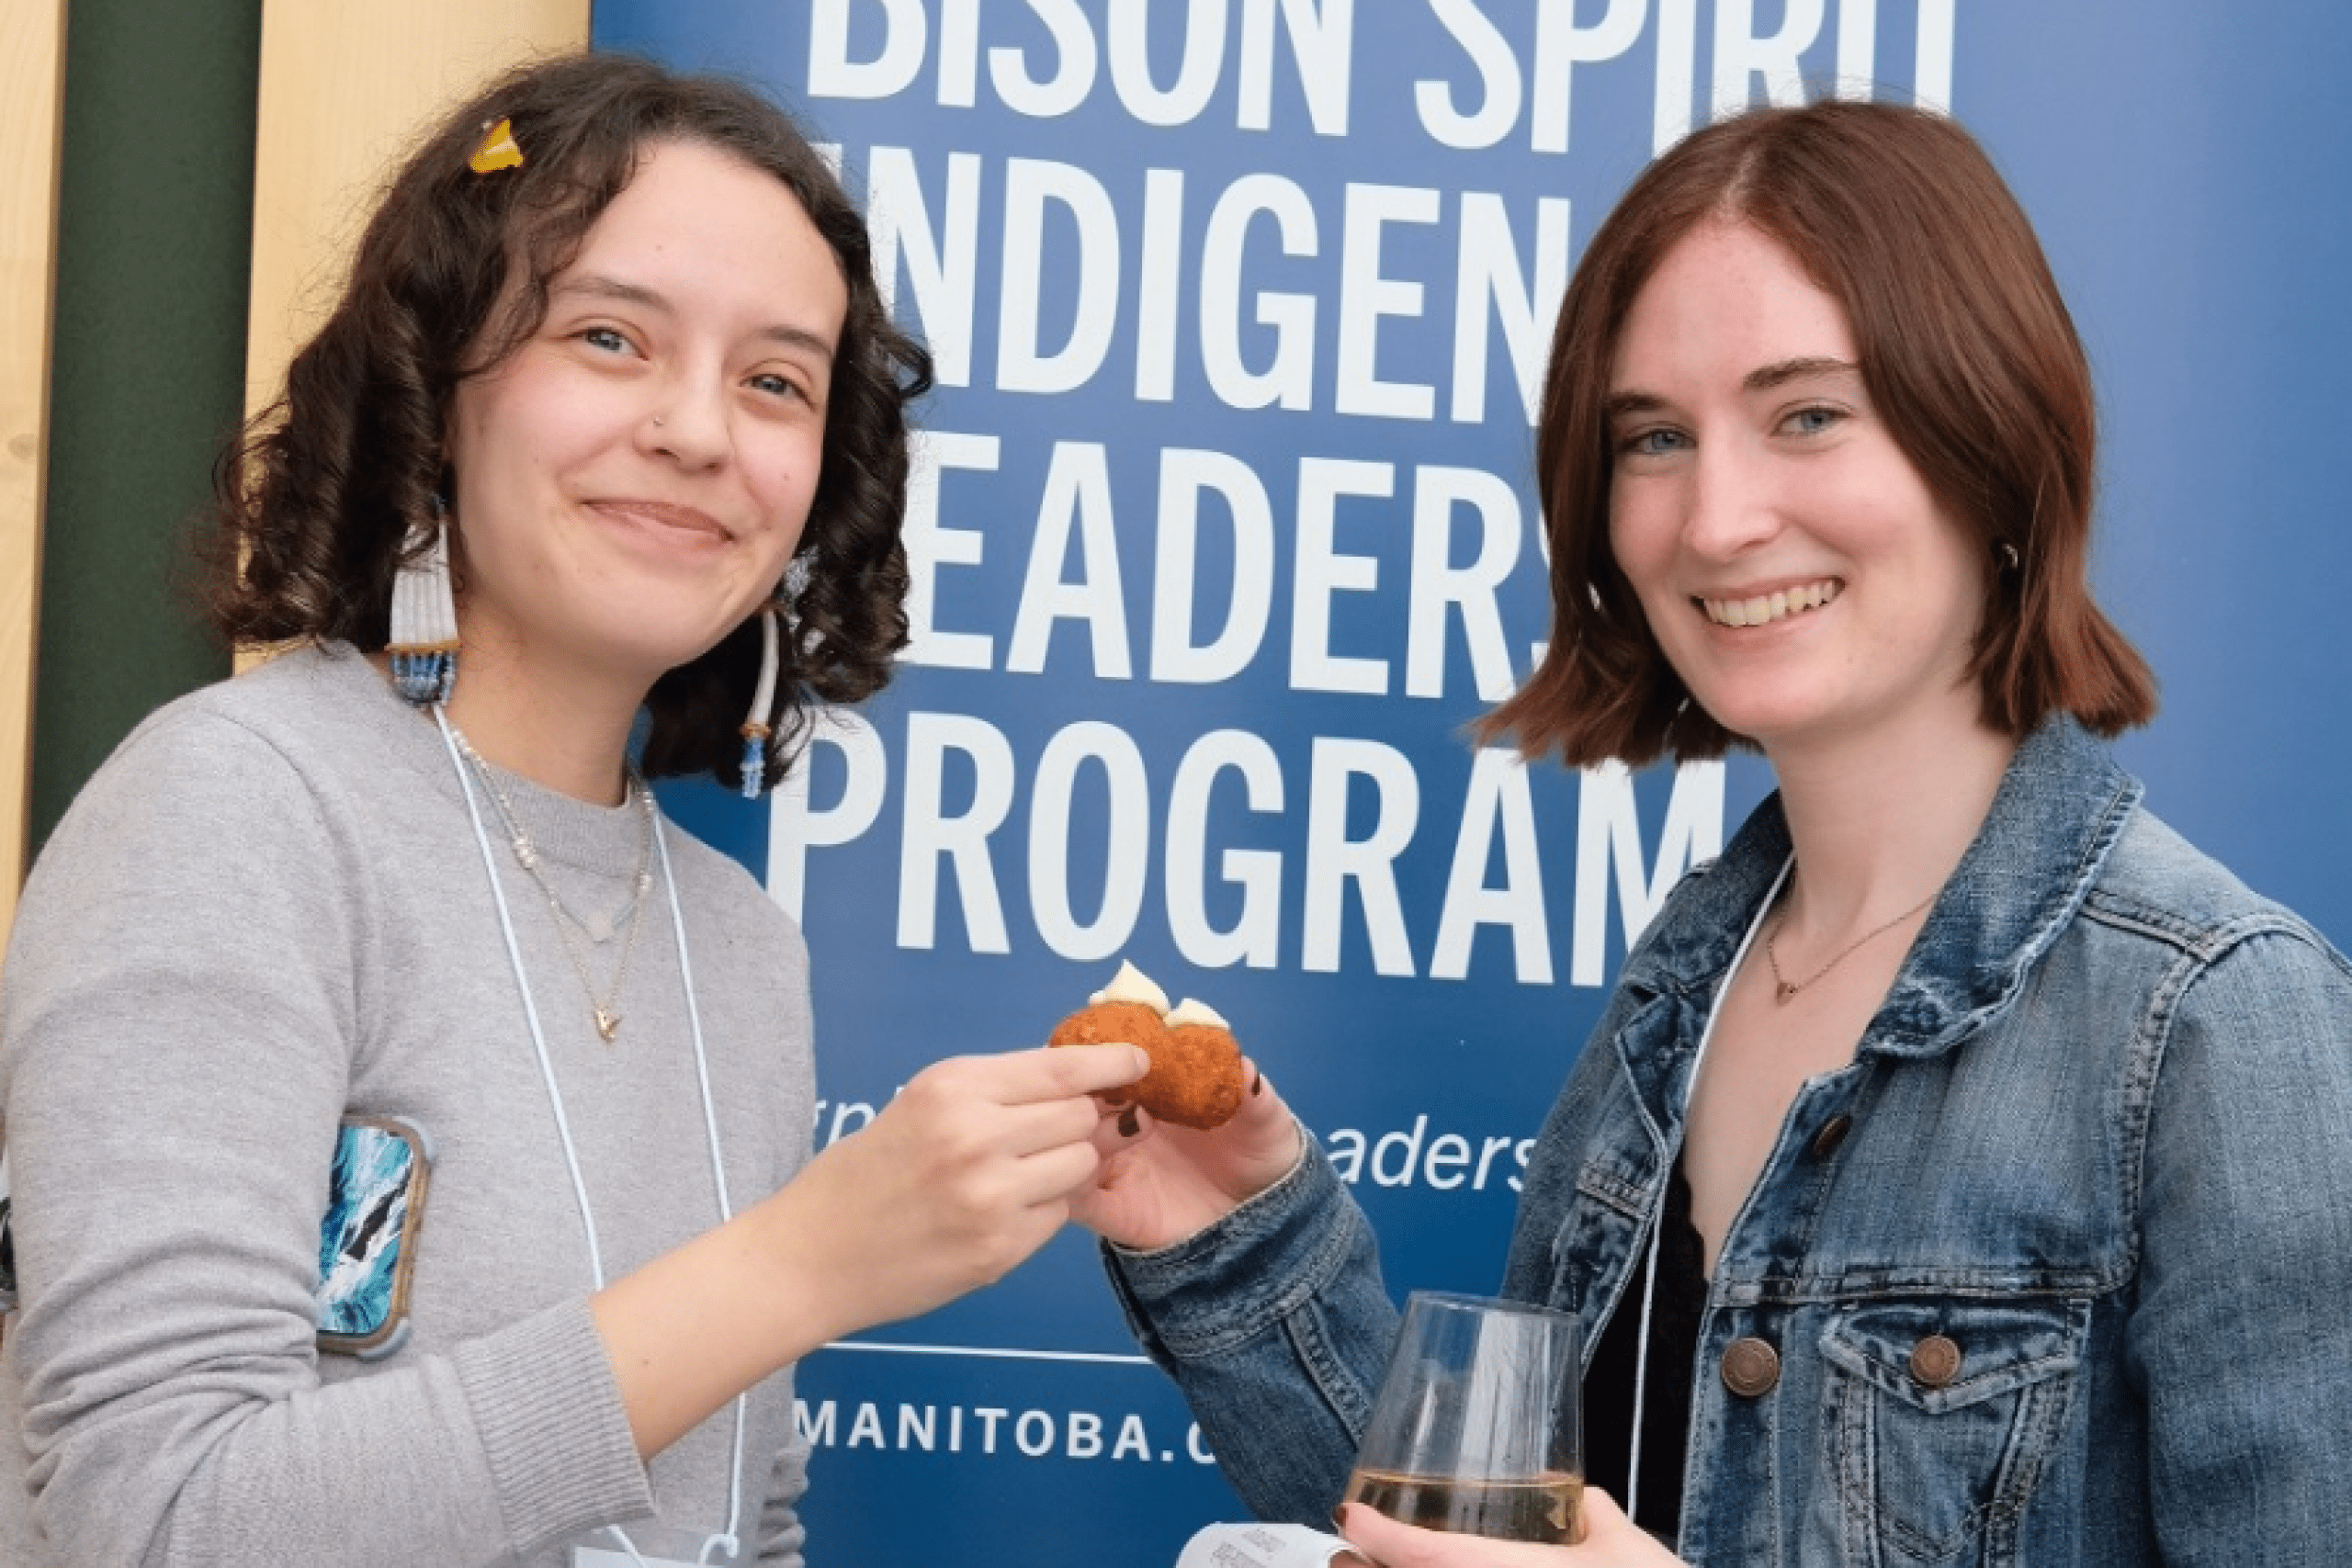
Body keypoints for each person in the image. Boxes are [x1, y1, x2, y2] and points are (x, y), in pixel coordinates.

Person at [1073, 98, 2352, 1566]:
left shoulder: (2220, 1023)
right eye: (1656, 437)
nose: (1718, 516)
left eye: (1807, 413)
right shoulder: (1678, 991)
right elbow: (1490, 1536)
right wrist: (1235, 1232)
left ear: (1988, 434)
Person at [0, 52, 1144, 1566]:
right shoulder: (233, 811)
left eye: (776, 381)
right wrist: (796, 1267)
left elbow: (745, 1514)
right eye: (610, 337)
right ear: (435, 392)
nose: (697, 429)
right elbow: (151, 1518)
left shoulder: (741, 947)